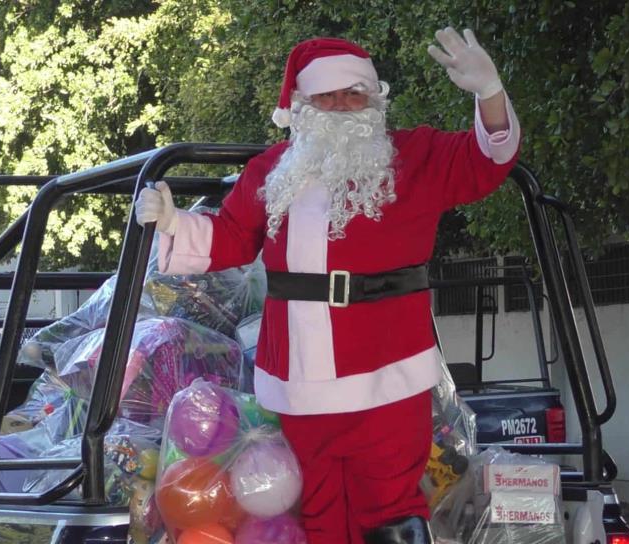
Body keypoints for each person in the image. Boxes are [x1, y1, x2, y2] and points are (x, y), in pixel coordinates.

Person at [136, 28, 520, 544]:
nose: (342, 105)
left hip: (390, 368)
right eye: (327, 95)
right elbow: (231, 238)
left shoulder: (414, 156)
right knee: (317, 505)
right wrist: (173, 223)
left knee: (391, 509)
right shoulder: (272, 171)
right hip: (301, 374)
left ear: (374, 99)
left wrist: (489, 93)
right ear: (303, 105)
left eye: (354, 93)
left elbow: (487, 160)